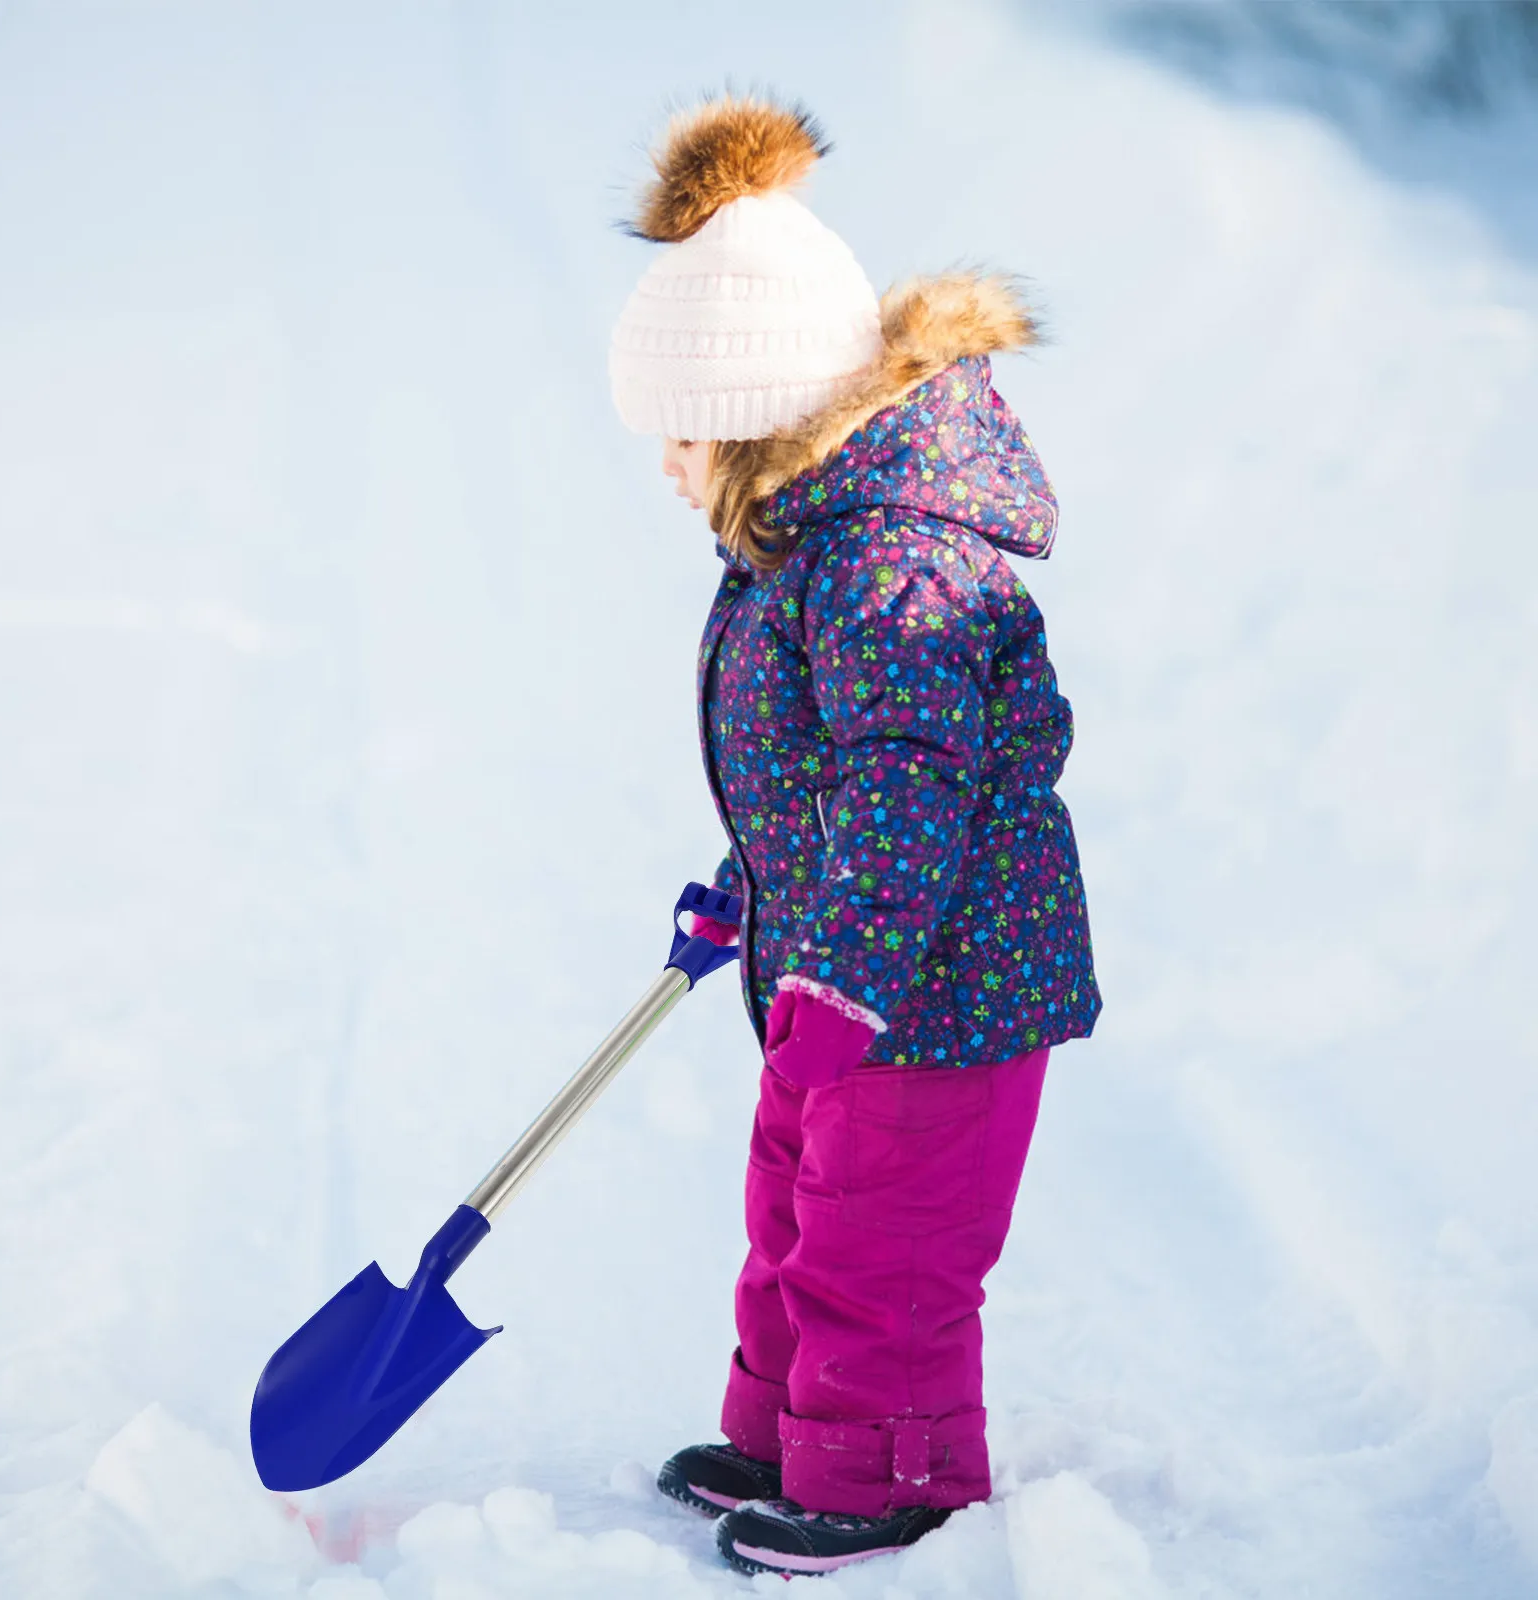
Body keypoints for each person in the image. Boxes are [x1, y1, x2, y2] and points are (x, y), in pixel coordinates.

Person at [609, 94, 1100, 1577]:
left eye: (683, 438)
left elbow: (907, 782)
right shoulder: (809, 549)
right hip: (850, 973)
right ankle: (788, 1439)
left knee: (880, 1252)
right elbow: (823, 781)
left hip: (938, 993)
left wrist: (844, 970)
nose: (668, 469)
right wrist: (752, 890)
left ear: (758, 420)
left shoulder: (890, 562)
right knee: (797, 1212)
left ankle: (892, 1475)